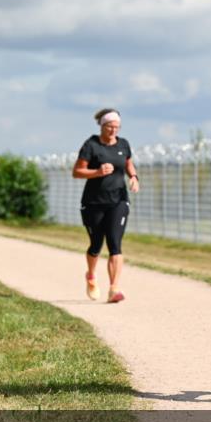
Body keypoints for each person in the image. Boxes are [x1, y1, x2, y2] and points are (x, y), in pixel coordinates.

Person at [72, 108, 139, 303]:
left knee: (115, 244)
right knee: (96, 245)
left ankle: (114, 289)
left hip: (118, 200)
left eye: (116, 127)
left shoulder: (123, 144)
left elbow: (128, 163)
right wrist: (97, 172)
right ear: (102, 126)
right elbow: (77, 171)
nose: (113, 130)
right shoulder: (91, 145)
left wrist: (134, 177)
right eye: (110, 126)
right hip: (93, 202)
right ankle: (91, 276)